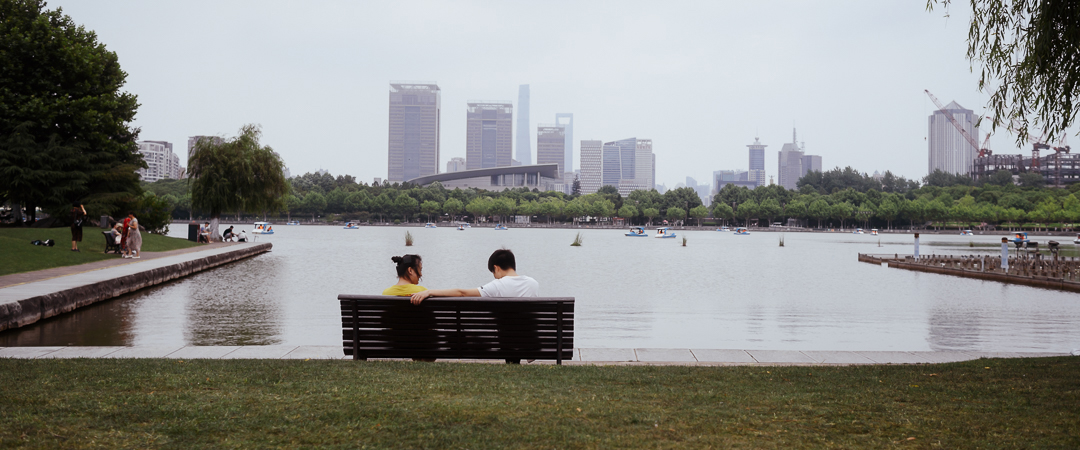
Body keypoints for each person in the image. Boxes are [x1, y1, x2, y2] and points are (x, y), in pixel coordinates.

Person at [409, 249, 539, 364]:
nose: (494, 276)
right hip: (530, 342)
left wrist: (429, 292)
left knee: (506, 329)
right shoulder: (533, 283)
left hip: (506, 343)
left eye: (493, 272)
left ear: (496, 268)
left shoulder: (497, 285)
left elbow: (462, 293)